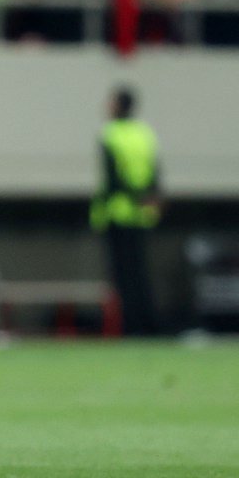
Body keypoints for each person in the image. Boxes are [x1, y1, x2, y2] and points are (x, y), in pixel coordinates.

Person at [91, 87, 162, 336]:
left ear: (119, 106)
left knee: (122, 276)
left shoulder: (110, 133)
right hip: (143, 214)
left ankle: (128, 327)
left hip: (118, 213)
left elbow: (112, 179)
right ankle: (148, 325)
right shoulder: (145, 133)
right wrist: (150, 198)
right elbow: (155, 171)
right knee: (141, 273)